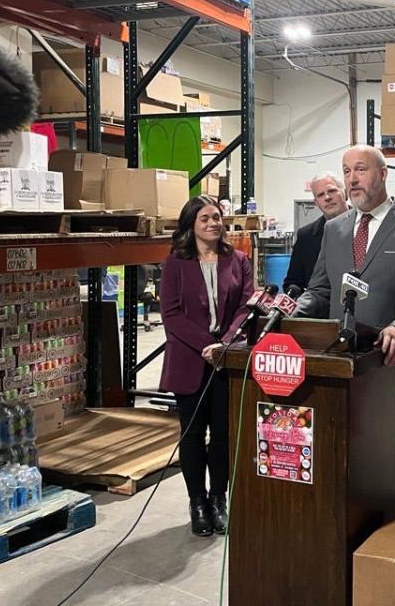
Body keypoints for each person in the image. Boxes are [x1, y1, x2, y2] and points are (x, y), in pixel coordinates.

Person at [295, 145, 395, 515]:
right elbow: (320, 289)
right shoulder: (334, 230)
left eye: (360, 170)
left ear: (382, 174)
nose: (351, 179)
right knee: (351, 453)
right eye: (346, 171)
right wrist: (291, 314)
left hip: (393, 365)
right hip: (343, 363)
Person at [159, 195, 254, 537]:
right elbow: (170, 315)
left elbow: (248, 306)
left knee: (224, 435)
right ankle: (197, 502)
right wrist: (206, 346)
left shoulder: (238, 260)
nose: (214, 223)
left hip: (226, 361)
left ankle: (218, 498)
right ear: (191, 226)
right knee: (193, 434)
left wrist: (225, 343)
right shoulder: (175, 263)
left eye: (217, 217)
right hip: (190, 360)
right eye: (205, 218)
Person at [283, 173, 348, 292]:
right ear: (316, 202)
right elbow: (293, 282)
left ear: (346, 193)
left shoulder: (366, 227)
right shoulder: (306, 236)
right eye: (320, 195)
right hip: (320, 308)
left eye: (332, 191)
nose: (327, 197)